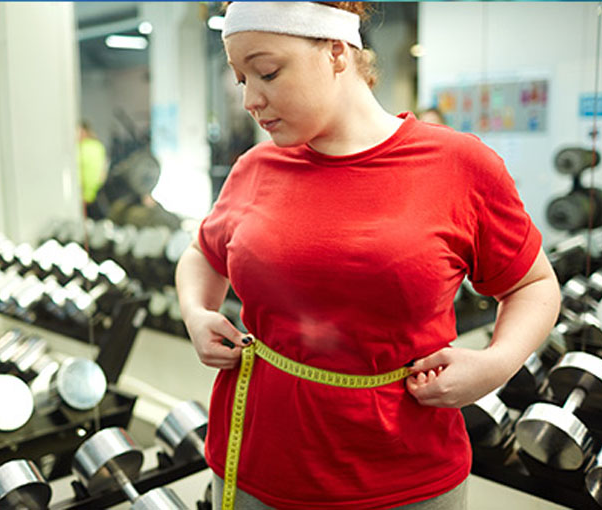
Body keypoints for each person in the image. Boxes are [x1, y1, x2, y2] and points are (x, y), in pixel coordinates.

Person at [175, 3, 561, 510]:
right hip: (258, 465)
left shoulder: (458, 165)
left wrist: (497, 364)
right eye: (240, 77)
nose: (249, 98)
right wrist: (197, 314)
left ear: (337, 52)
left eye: (267, 72)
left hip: (405, 477)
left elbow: (532, 284)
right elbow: (202, 254)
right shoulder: (255, 167)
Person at [77, 120, 108, 218]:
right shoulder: (99, 146)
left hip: (83, 196)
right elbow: (102, 173)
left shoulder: (79, 148)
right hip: (97, 194)